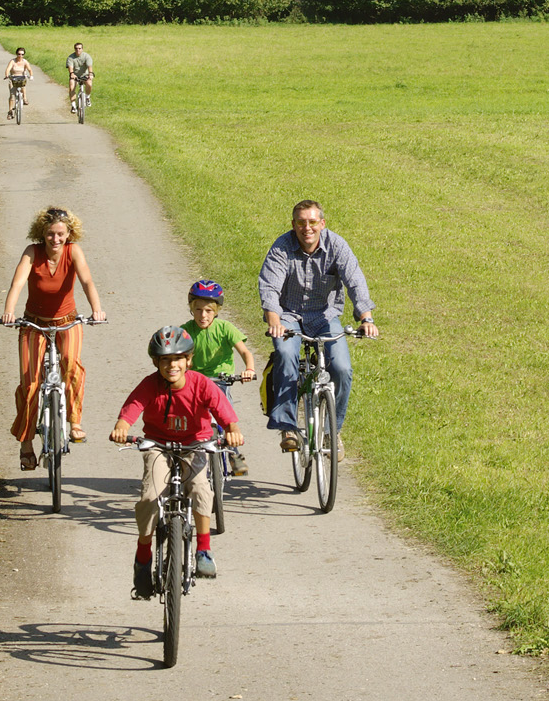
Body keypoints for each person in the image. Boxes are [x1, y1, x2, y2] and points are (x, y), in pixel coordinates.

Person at [110, 326, 243, 591]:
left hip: (195, 444)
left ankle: (204, 549)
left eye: (178, 359)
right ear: (156, 363)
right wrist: (122, 426)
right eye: (165, 360)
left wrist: (233, 431)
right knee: (150, 495)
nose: (172, 366)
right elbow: (133, 406)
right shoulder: (151, 384)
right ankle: (144, 553)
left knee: (200, 489)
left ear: (189, 360)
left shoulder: (201, 384)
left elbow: (222, 409)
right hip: (158, 445)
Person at [259, 199, 378, 461]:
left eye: (313, 222)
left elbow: (355, 281)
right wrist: (274, 320)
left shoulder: (336, 246)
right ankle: (287, 427)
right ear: (293, 225)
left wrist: (366, 318)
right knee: (286, 355)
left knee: (342, 368)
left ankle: (331, 432)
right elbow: (269, 287)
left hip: (325, 317)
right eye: (301, 223)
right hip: (288, 316)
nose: (307, 228)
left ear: (322, 224)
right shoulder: (282, 248)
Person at [0, 206, 107, 470]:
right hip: (33, 325)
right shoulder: (32, 253)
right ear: (42, 233)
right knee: (31, 383)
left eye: (61, 234)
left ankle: (75, 422)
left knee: (71, 365)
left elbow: (87, 282)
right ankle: (26, 442)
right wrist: (9, 312)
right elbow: (17, 284)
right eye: (50, 234)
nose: (56, 240)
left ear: (69, 233)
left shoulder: (74, 251)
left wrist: (97, 309)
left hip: (67, 322)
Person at [183, 279, 255, 476]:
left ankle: (234, 453)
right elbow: (180, 355)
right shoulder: (186, 330)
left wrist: (249, 369)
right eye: (198, 310)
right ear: (191, 309)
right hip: (195, 381)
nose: (203, 315)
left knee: (225, 413)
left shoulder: (224, 328)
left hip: (220, 380)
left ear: (216, 310)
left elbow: (245, 352)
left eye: (208, 310)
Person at [4, 47, 33, 119]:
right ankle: (10, 111)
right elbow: (8, 69)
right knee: (12, 95)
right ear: (16, 54)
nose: (20, 56)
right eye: (19, 54)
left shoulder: (25, 62)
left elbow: (30, 69)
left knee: (23, 86)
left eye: (22, 54)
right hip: (13, 79)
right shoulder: (13, 61)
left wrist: (31, 76)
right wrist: (7, 75)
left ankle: (24, 99)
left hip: (21, 78)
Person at [66, 41, 93, 113]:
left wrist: (90, 74)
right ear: (74, 49)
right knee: (72, 87)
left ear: (82, 49)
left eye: (79, 48)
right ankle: (73, 105)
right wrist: (72, 73)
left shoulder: (86, 56)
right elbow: (70, 67)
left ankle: (87, 97)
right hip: (75, 75)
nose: (78, 50)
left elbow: (89, 66)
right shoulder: (71, 57)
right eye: (76, 48)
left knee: (89, 83)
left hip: (85, 75)